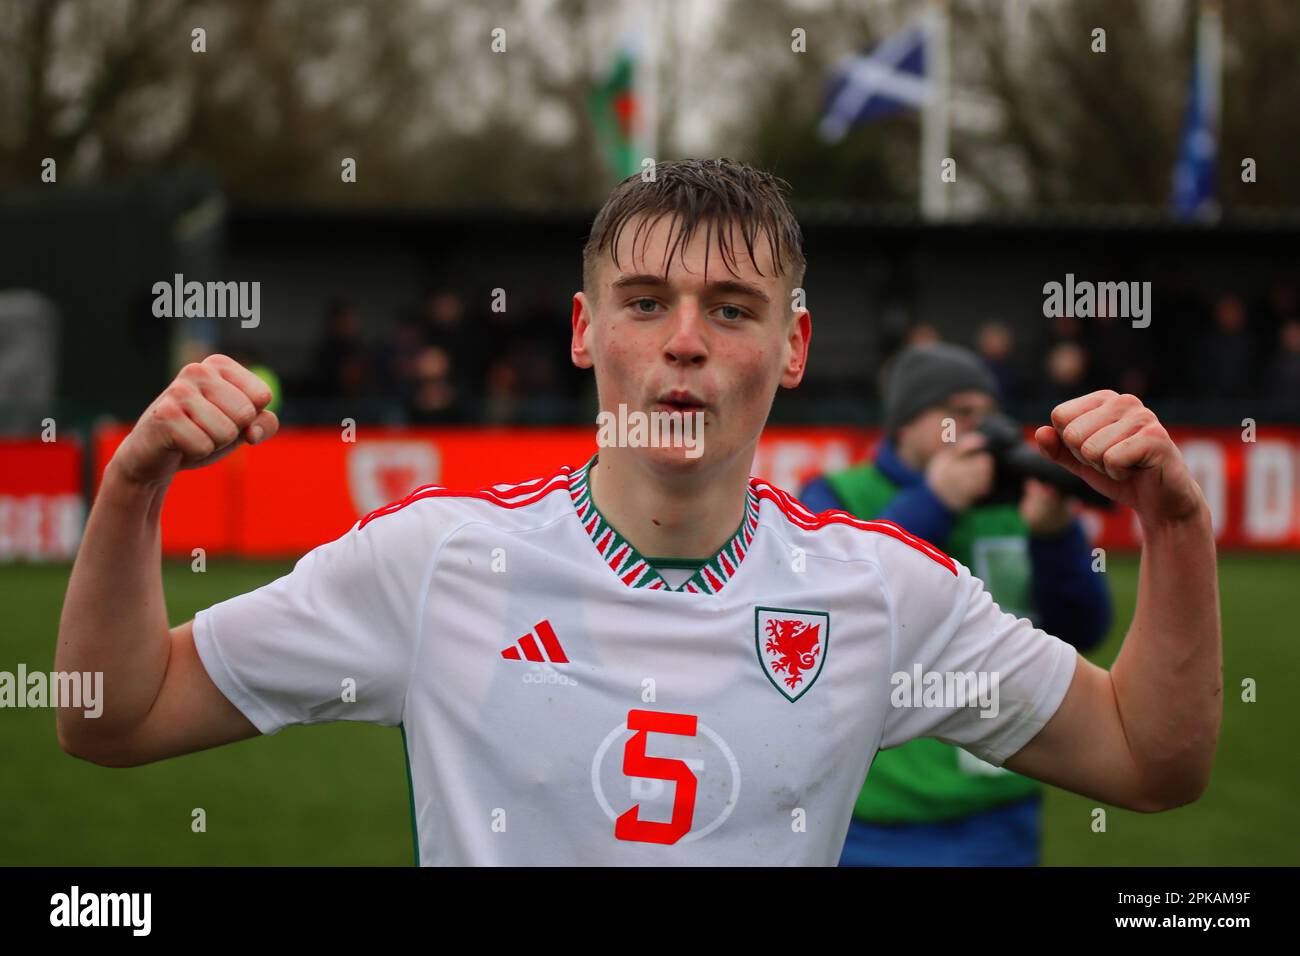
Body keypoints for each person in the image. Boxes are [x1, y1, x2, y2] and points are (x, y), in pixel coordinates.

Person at [55, 158, 1221, 865]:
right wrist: (129, 490)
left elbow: (1148, 756)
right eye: (645, 300)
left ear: (793, 346)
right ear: (580, 329)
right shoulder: (438, 556)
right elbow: (113, 714)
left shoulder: (881, 587)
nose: (681, 341)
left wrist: (1175, 532)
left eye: (731, 307)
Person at [800, 343, 1111, 866]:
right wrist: (934, 502)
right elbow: (825, 615)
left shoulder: (1020, 504)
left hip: (997, 810)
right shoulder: (838, 495)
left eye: (988, 414)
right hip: (872, 818)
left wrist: (1056, 538)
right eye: (959, 413)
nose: (980, 429)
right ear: (905, 421)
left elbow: (1085, 629)